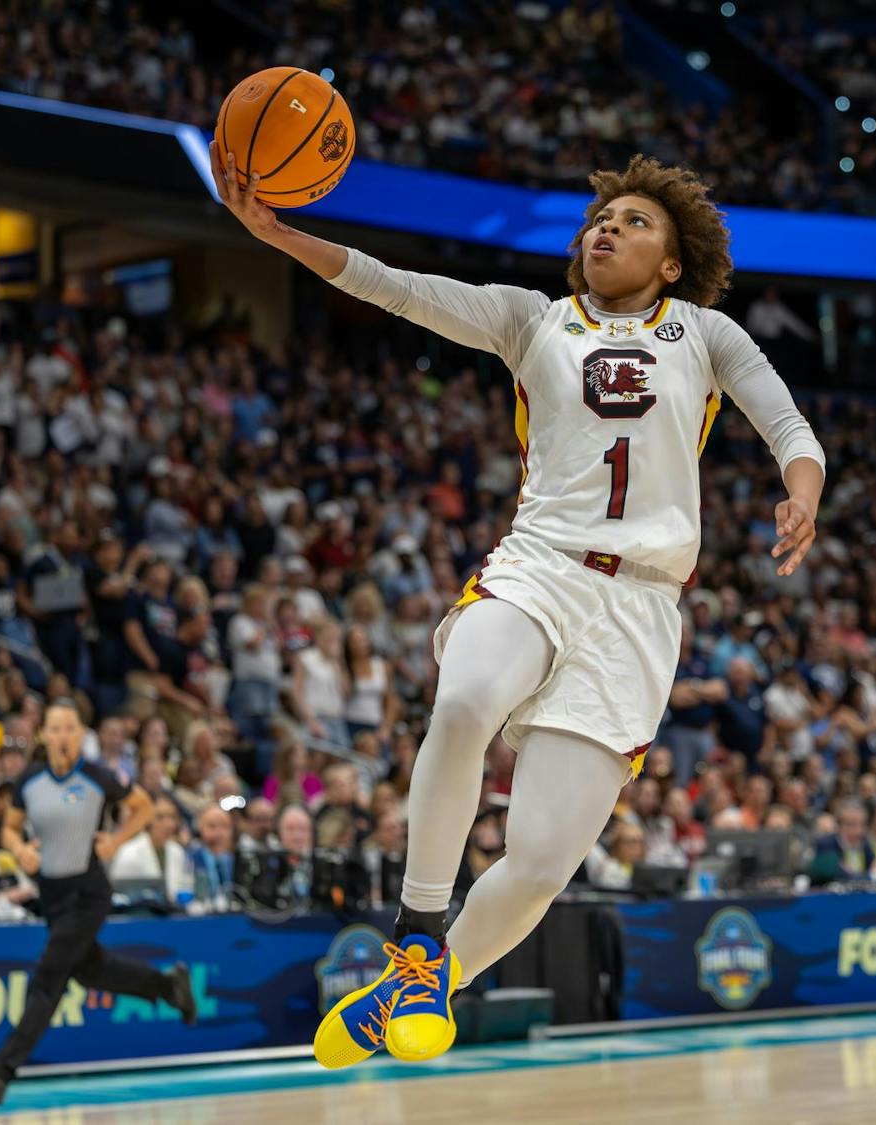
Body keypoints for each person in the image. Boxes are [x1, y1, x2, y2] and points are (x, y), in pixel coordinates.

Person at [210, 143, 825, 1069]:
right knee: (462, 702)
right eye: (600, 218)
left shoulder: (704, 334)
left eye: (633, 221)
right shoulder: (532, 320)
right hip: (539, 564)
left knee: (540, 862)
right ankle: (416, 930)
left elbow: (787, 423)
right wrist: (276, 232)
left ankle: (425, 985)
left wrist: (802, 486)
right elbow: (394, 286)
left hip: (642, 608)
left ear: (670, 263)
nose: (605, 227)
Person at [0, 700, 196, 1105]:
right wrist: (19, 849)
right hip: (52, 894)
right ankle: (169, 988)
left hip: (88, 891)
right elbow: (10, 829)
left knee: (48, 978)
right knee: (89, 970)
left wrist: (116, 841)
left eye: (70, 728)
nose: (63, 736)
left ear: (79, 734)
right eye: (56, 729)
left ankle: (1, 1070)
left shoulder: (96, 776)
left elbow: (144, 806)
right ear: (44, 735)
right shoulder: (30, 779)